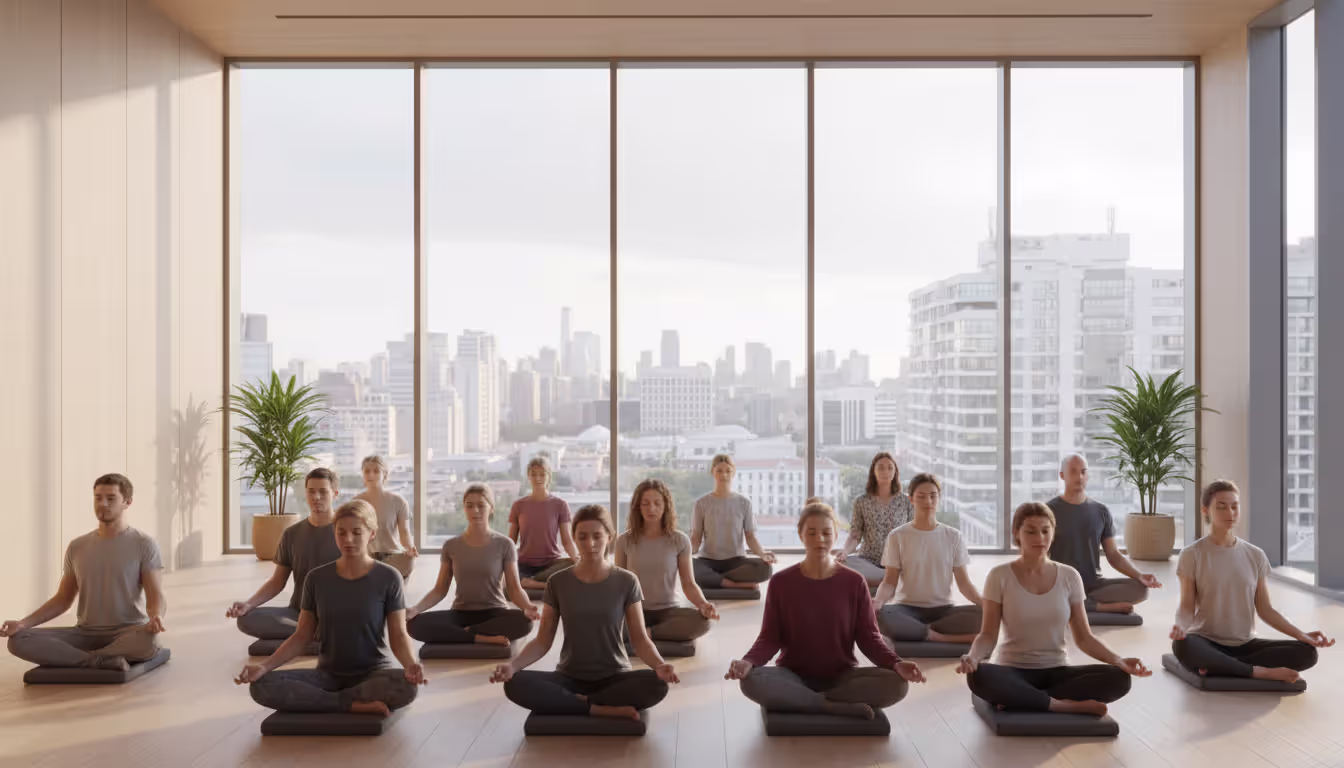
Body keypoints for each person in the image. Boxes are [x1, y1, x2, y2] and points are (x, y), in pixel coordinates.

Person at [726, 499, 924, 719]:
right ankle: (830, 704)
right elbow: (770, 637)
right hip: (792, 676)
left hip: (842, 677)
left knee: (897, 684)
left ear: (835, 535)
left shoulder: (854, 582)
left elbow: (869, 638)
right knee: (751, 681)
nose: (819, 539)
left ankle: (808, 701)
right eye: (811, 533)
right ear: (801, 535)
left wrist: (896, 663)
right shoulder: (781, 582)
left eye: (826, 533)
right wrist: (748, 661)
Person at [957, 502, 1150, 717]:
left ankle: (1024, 698)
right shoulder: (999, 576)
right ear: (1017, 533)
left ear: (1053, 532)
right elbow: (987, 635)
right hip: (1013, 670)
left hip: (1058, 672)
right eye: (1031, 531)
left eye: (1045, 530)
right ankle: (1060, 705)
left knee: (1119, 678)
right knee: (979, 675)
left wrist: (1119, 660)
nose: (1040, 538)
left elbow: (1085, 638)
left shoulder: (1069, 576)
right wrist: (973, 657)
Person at [235, 500, 423, 716]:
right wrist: (264, 666)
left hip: (374, 674)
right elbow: (302, 636)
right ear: (334, 533)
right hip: (327, 676)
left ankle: (327, 701)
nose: (348, 539)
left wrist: (410, 665)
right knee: (261, 685)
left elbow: (398, 634)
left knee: (405, 686)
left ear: (371, 534)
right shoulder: (316, 579)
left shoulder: (389, 578)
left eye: (356, 532)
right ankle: (350, 704)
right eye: (341, 532)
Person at [491, 505, 677, 722]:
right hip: (569, 677)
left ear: (609, 537)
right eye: (582, 537)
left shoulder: (627, 581)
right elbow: (542, 642)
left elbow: (640, 640)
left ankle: (575, 703)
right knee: (515, 683)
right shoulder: (557, 582)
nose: (590, 544)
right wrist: (512, 666)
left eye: (597, 536)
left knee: (657, 684)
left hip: (615, 678)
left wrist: (659, 665)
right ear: (574, 538)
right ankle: (599, 708)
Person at [1169, 480, 1333, 684]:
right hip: (1205, 641)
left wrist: (1302, 635)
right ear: (1205, 510)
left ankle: (1220, 665)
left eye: (1234, 506)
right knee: (1182, 645)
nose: (1230, 513)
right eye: (1221, 507)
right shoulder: (1191, 554)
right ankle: (1258, 672)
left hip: (1246, 645)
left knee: (1307, 653)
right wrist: (1181, 626)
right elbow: (1186, 606)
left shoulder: (1255, 555)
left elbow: (1265, 609)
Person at [3, 474, 167, 671]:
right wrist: (22, 624)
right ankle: (98, 660)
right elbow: (63, 600)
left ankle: (82, 659)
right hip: (85, 634)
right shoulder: (77, 547)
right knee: (18, 640)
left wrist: (155, 616)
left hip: (128, 632)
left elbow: (155, 595)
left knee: (150, 641)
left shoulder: (144, 544)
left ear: (127, 502)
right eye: (98, 498)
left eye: (111, 498)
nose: (103, 504)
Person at [406, 484, 538, 646]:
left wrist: (528, 607)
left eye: (481, 505)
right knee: (414, 624)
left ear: (491, 508)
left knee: (525, 622)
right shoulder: (451, 546)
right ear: (464, 509)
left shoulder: (505, 544)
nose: (475, 510)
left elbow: (514, 588)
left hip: (495, 613)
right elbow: (440, 589)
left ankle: (465, 633)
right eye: (469, 506)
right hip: (461, 613)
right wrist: (415, 609)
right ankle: (479, 637)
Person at [226, 468, 342, 645]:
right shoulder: (292, 534)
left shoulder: (347, 533)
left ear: (335, 494)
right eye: (311, 491)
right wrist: (249, 604)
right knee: (246, 619)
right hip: (298, 614)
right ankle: (313, 636)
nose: (316, 497)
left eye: (323, 492)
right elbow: (277, 581)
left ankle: (307, 637)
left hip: (335, 616)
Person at [874, 473, 983, 644]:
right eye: (921, 496)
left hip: (943, 611)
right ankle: (939, 636)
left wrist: (985, 604)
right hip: (907, 609)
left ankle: (918, 631)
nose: (928, 501)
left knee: (981, 615)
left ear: (939, 498)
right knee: (883, 614)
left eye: (933, 496)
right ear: (911, 499)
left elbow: (964, 584)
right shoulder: (897, 536)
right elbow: (889, 582)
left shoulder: (953, 536)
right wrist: (878, 601)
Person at [1047, 454, 1161, 614]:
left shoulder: (1101, 511)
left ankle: (1081, 604)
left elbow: (1113, 555)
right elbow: (1041, 555)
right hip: (1061, 584)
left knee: (1141, 589)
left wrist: (1139, 575)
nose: (1079, 477)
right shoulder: (1048, 511)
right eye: (1073, 472)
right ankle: (1098, 607)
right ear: (1062, 475)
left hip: (1094, 585)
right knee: (1043, 593)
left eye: (1083, 472)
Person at [615, 479, 719, 644]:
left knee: (703, 622)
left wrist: (704, 605)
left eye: (657, 503)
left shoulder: (679, 540)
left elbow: (688, 584)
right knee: (602, 623)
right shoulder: (624, 541)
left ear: (666, 506)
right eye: (645, 504)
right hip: (635, 611)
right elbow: (619, 585)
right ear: (638, 507)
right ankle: (645, 633)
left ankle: (646, 634)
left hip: (668, 611)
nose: (651, 509)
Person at [691, 455, 776, 590]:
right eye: (719, 470)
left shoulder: (744, 503)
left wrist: (763, 554)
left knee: (765, 569)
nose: (724, 475)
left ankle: (715, 580)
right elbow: (696, 539)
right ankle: (732, 583)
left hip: (736, 561)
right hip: (708, 561)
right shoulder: (701, 503)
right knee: (689, 566)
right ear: (712, 472)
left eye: (728, 471)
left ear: (733, 473)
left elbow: (750, 537)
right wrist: (681, 555)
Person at [836, 452, 913, 588]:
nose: (885, 471)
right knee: (839, 565)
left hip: (897, 563)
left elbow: (913, 535)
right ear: (873, 471)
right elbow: (855, 535)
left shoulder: (906, 501)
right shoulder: (861, 501)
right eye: (881, 467)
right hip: (867, 562)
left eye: (890, 467)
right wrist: (845, 552)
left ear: (895, 472)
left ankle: (884, 579)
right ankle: (887, 580)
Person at [509, 457, 578, 591]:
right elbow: (511, 541)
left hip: (550, 564)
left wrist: (576, 559)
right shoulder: (519, 505)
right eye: (533, 474)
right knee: (506, 569)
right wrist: (503, 562)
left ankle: (529, 582)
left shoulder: (560, 505)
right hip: (524, 564)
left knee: (572, 565)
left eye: (542, 474)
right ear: (528, 477)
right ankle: (545, 584)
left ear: (549, 476)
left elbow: (566, 540)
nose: (538, 478)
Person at [354, 455, 417, 579]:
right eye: (367, 471)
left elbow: (404, 532)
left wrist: (409, 548)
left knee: (408, 562)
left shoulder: (399, 501)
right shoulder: (356, 502)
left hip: (393, 556)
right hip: (367, 557)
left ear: (385, 475)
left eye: (376, 471)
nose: (371, 475)